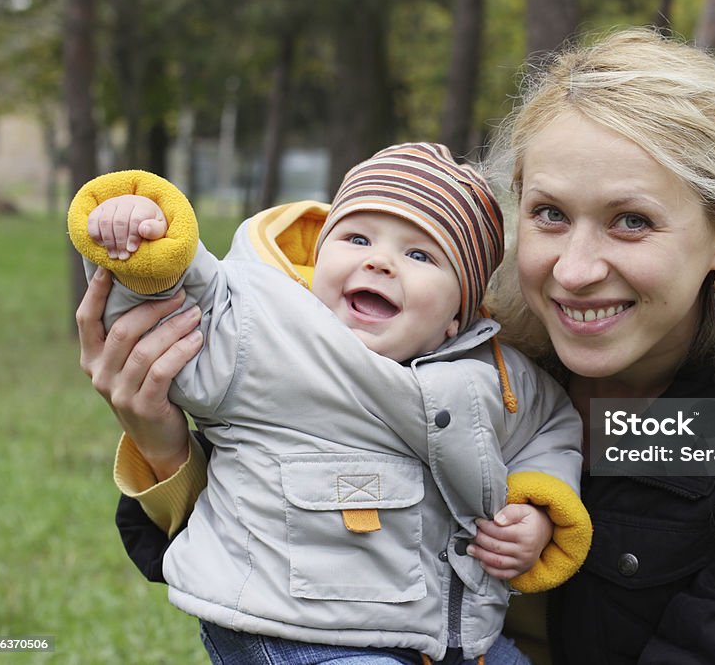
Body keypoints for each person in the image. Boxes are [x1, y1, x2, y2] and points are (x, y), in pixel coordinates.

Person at [76, 29, 715, 664]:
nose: (575, 267)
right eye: (550, 213)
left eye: (631, 221)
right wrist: (159, 439)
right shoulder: (450, 344)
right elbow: (228, 549)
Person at [68, 142, 592, 665]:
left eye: (419, 255)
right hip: (290, 629)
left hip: (450, 640)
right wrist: (144, 232)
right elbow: (179, 297)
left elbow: (549, 427)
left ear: (459, 316)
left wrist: (537, 509)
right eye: (357, 237)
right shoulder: (263, 328)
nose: (379, 261)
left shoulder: (491, 374)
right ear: (318, 262)